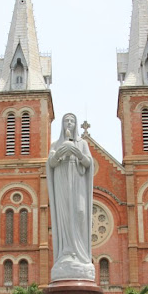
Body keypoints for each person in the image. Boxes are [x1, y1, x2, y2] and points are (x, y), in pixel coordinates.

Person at [46, 112, 95, 282]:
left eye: (72, 120)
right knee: (65, 216)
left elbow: (89, 163)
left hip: (78, 183)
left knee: (80, 213)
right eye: (66, 120)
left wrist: (78, 154)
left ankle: (81, 255)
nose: (69, 123)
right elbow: (51, 163)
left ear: (76, 124)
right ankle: (67, 251)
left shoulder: (82, 143)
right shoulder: (55, 144)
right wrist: (59, 153)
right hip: (62, 183)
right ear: (62, 124)